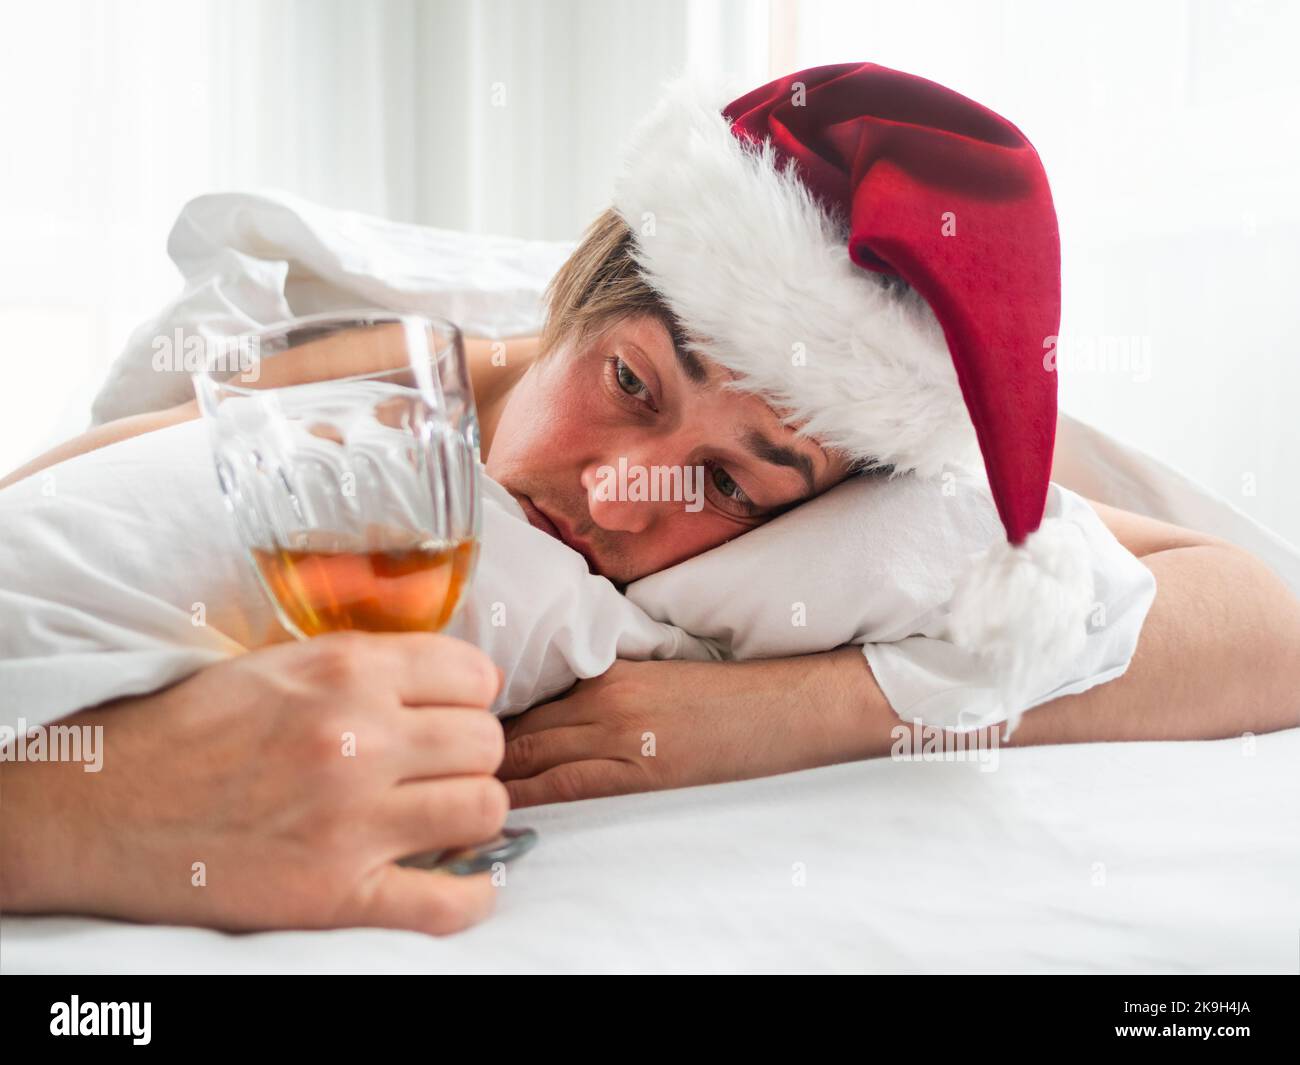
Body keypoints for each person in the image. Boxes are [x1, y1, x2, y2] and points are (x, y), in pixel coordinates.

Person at [3, 63, 1299, 933]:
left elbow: (1258, 620)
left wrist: (763, 714)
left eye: (733, 482)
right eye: (630, 381)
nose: (628, 495)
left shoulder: (899, 455)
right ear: (579, 285)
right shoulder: (357, 367)